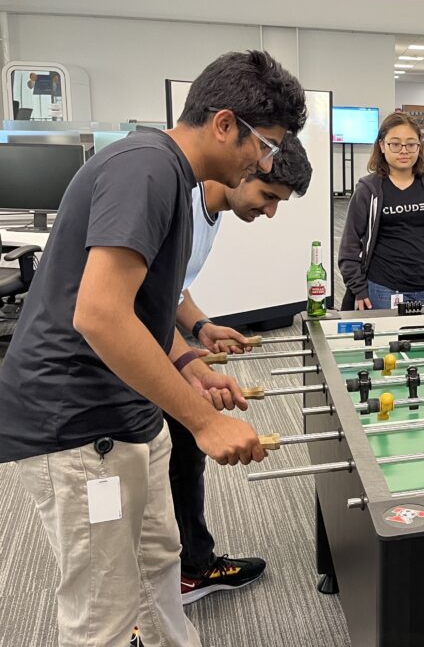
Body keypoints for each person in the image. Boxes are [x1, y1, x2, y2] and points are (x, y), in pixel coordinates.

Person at [0, 49, 306, 646]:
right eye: (265, 146)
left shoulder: (171, 174)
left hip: (128, 416)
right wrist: (203, 423)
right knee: (103, 614)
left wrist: (189, 360)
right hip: (78, 425)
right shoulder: (147, 169)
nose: (266, 162)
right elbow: (100, 315)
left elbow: (142, 308)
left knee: (159, 569)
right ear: (224, 124)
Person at [171, 136, 313, 604]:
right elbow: (127, 309)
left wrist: (201, 326)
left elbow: (171, 291)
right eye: (268, 197)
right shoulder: (182, 206)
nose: (269, 212)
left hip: (150, 346)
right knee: (162, 462)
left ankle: (192, 564)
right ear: (244, 167)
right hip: (105, 373)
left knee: (180, 454)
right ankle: (177, 572)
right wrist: (189, 364)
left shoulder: (209, 214)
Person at [340, 112, 424, 310]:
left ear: (419, 147)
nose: (404, 150)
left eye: (411, 144)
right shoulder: (368, 190)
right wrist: (358, 288)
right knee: (386, 341)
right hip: (382, 289)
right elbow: (349, 245)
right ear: (382, 146)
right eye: (395, 144)